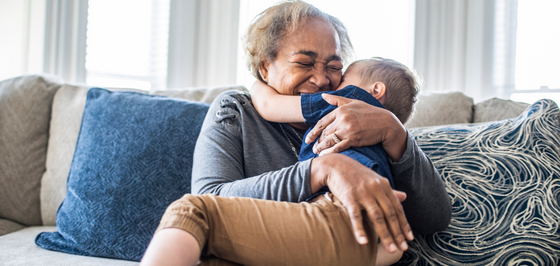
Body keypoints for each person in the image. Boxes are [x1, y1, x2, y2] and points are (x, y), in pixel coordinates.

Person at [141, 1, 451, 265]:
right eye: (304, 62)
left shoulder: (362, 117)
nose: (322, 79)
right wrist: (319, 170)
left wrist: (394, 132)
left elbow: (434, 218)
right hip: (281, 245)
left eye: (334, 66)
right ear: (265, 68)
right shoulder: (236, 112)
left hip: (343, 238)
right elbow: (212, 196)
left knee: (189, 214)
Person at [250, 57, 419, 195]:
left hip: (343, 190)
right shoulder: (388, 147)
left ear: (375, 90)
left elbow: (269, 105)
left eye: (344, 79)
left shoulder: (347, 98)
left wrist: (257, 84)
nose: (334, 86)